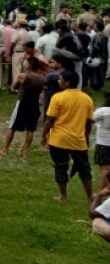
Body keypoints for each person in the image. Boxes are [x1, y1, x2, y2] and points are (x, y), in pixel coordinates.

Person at [41, 70, 94, 204]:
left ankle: (63, 196)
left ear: (67, 82)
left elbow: (50, 119)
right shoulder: (87, 98)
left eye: (60, 79)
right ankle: (89, 197)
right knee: (84, 168)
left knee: (60, 167)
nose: (59, 81)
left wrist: (44, 134)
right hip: (78, 140)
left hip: (59, 139)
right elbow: (89, 122)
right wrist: (86, 137)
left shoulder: (58, 97)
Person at [0, 56, 45, 158]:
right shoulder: (42, 77)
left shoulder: (23, 76)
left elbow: (13, 87)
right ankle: (25, 152)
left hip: (23, 102)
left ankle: (5, 149)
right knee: (30, 129)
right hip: (34, 104)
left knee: (12, 127)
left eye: (25, 62)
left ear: (29, 65)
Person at [94, 90, 110, 190]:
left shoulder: (103, 111)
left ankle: (103, 192)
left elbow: (90, 119)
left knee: (105, 169)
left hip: (104, 142)